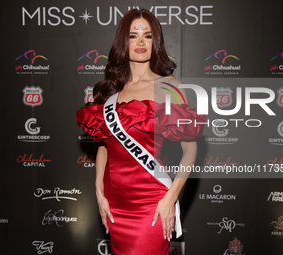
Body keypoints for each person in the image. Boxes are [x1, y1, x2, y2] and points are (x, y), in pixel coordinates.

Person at [76, 8, 205, 255]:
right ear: (123, 42)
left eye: (147, 35)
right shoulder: (112, 91)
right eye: (133, 35)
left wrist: (171, 198)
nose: (140, 42)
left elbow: (190, 150)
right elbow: (104, 147)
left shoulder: (170, 87)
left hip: (151, 202)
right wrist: (99, 193)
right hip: (115, 203)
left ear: (155, 42)